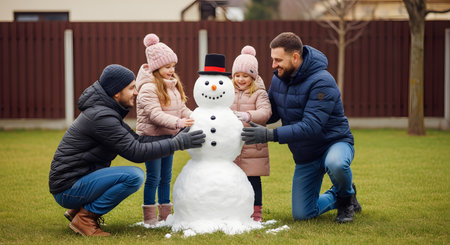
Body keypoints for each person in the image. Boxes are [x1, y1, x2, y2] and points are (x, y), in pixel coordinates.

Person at [49, 64, 205, 237]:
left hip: (74, 182)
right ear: (117, 92)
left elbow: (137, 140)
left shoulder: (106, 112)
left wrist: (177, 135)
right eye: (131, 88)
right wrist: (177, 144)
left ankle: (77, 210)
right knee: (133, 176)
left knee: (131, 175)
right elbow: (135, 151)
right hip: (68, 189)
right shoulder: (102, 117)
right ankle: (85, 218)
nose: (136, 92)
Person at [241, 32, 361, 223]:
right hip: (307, 155)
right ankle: (337, 195)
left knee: (336, 163)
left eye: (278, 60)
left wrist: (269, 135)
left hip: (334, 143)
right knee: (302, 214)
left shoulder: (322, 81)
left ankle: (346, 199)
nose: (273, 65)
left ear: (295, 57)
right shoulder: (279, 79)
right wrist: (244, 114)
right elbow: (271, 112)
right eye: (272, 59)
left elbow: (311, 126)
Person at [135, 33, 194, 225]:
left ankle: (165, 216)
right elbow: (155, 115)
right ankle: (150, 218)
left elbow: (181, 108)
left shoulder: (172, 85)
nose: (172, 70)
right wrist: (178, 123)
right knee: (154, 177)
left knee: (166, 177)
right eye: (168, 67)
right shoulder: (147, 88)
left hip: (168, 138)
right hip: (151, 139)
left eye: (173, 66)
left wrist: (194, 116)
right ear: (156, 67)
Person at [230, 45, 272, 222]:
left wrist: (248, 115)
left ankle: (256, 213)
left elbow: (265, 113)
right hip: (233, 145)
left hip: (253, 144)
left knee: (253, 180)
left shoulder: (259, 93)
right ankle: (235, 210)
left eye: (245, 76)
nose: (241, 79)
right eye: (237, 75)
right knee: (232, 181)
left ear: (253, 77)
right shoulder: (228, 92)